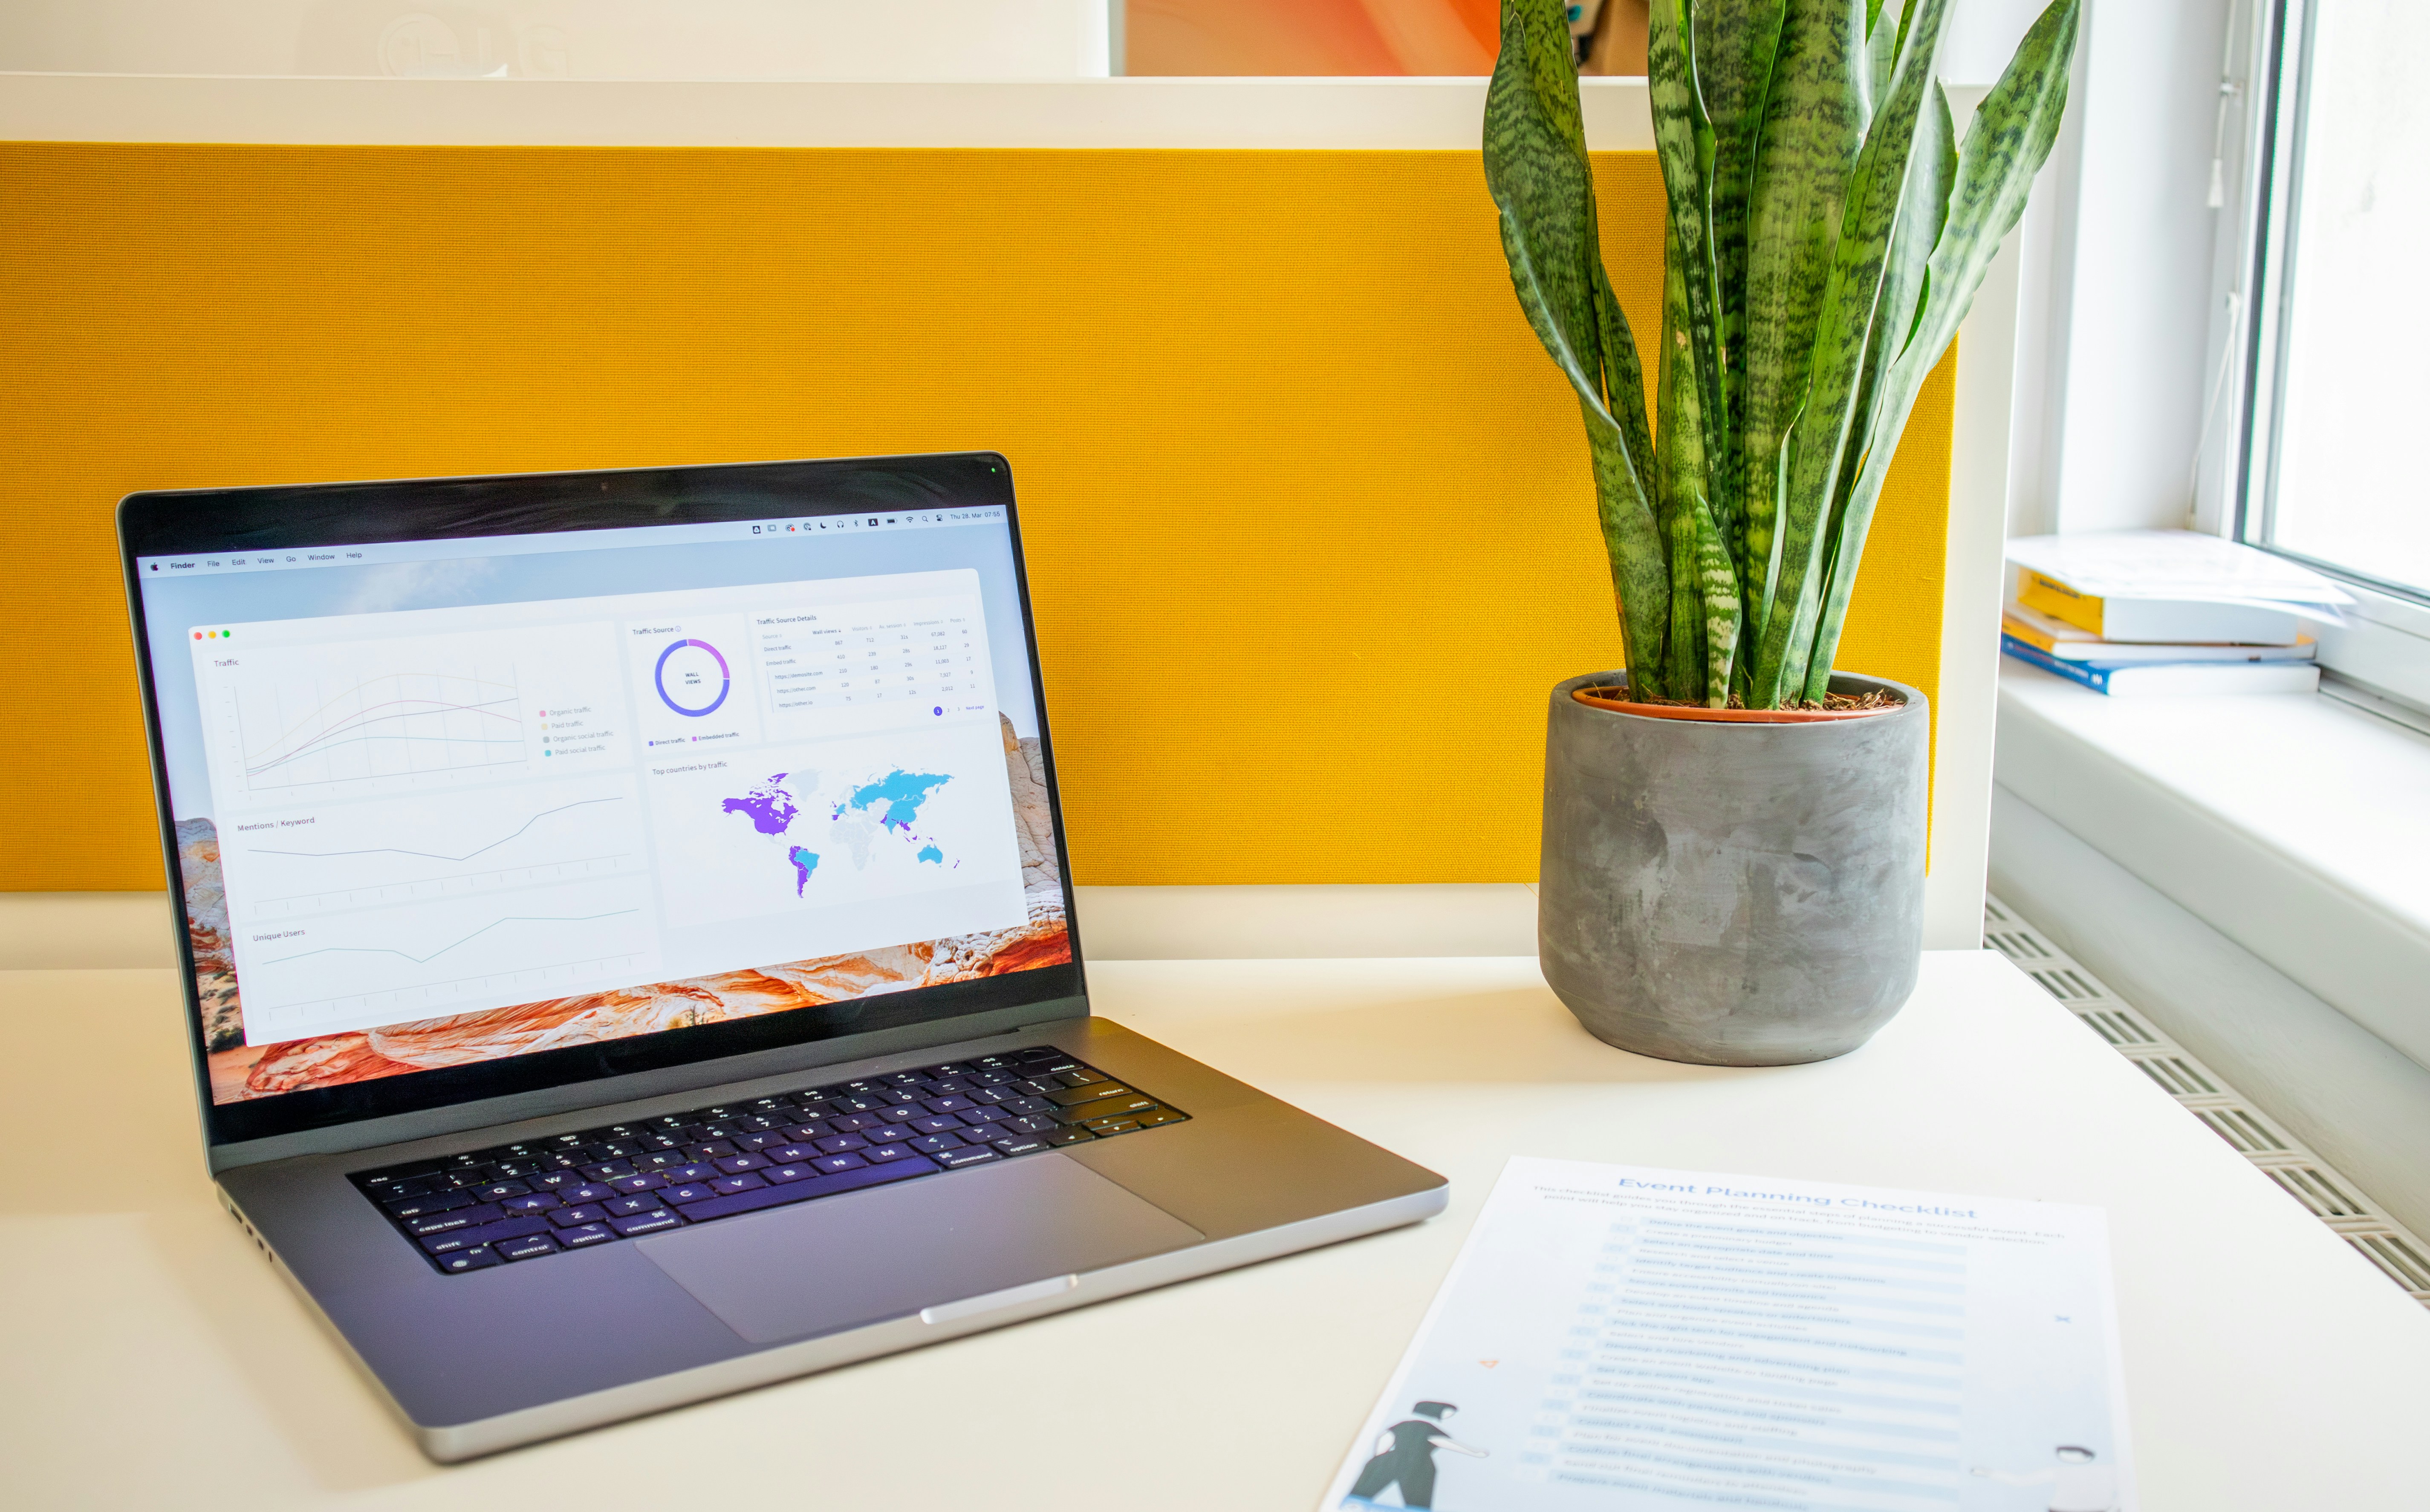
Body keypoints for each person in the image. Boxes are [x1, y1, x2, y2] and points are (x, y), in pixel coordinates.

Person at [1344, 1400, 1488, 1510]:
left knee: (1363, 1492)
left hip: (1392, 1460)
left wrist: (1379, 1458)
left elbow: (1386, 1437)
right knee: (1418, 1502)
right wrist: (1475, 1452)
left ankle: (1352, 1505)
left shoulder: (1402, 1425)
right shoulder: (1428, 1428)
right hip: (1419, 1465)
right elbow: (1442, 1442)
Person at [1971, 1444, 2118, 1512]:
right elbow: (2021, 1481)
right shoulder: (2058, 1472)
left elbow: (2021, 1482)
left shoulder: (2109, 1470)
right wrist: (1990, 1474)